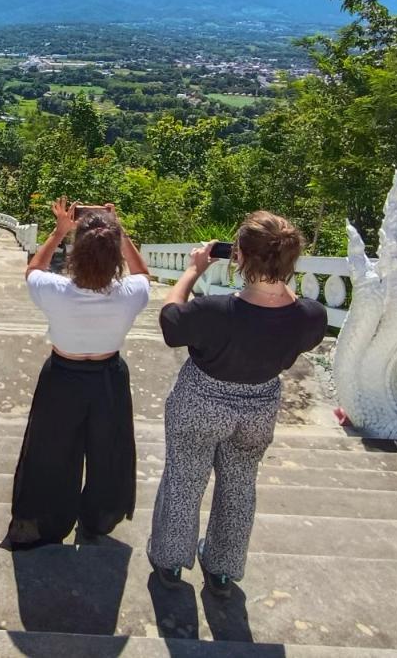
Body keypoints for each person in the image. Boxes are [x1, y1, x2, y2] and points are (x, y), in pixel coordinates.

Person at [147, 211, 327, 594]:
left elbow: (170, 319)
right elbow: (294, 322)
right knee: (240, 485)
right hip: (258, 407)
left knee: (184, 479)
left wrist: (192, 271)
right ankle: (223, 569)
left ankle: (170, 561)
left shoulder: (213, 312)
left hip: (200, 403)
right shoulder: (310, 316)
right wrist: (281, 283)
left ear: (239, 256)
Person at [3, 197, 152, 549]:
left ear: (75, 254)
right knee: (108, 452)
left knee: (50, 452)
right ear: (115, 254)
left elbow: (33, 269)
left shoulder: (55, 291)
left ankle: (45, 522)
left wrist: (58, 232)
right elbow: (143, 273)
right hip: (108, 378)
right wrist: (119, 229)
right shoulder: (130, 293)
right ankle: (98, 519)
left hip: (62, 376)